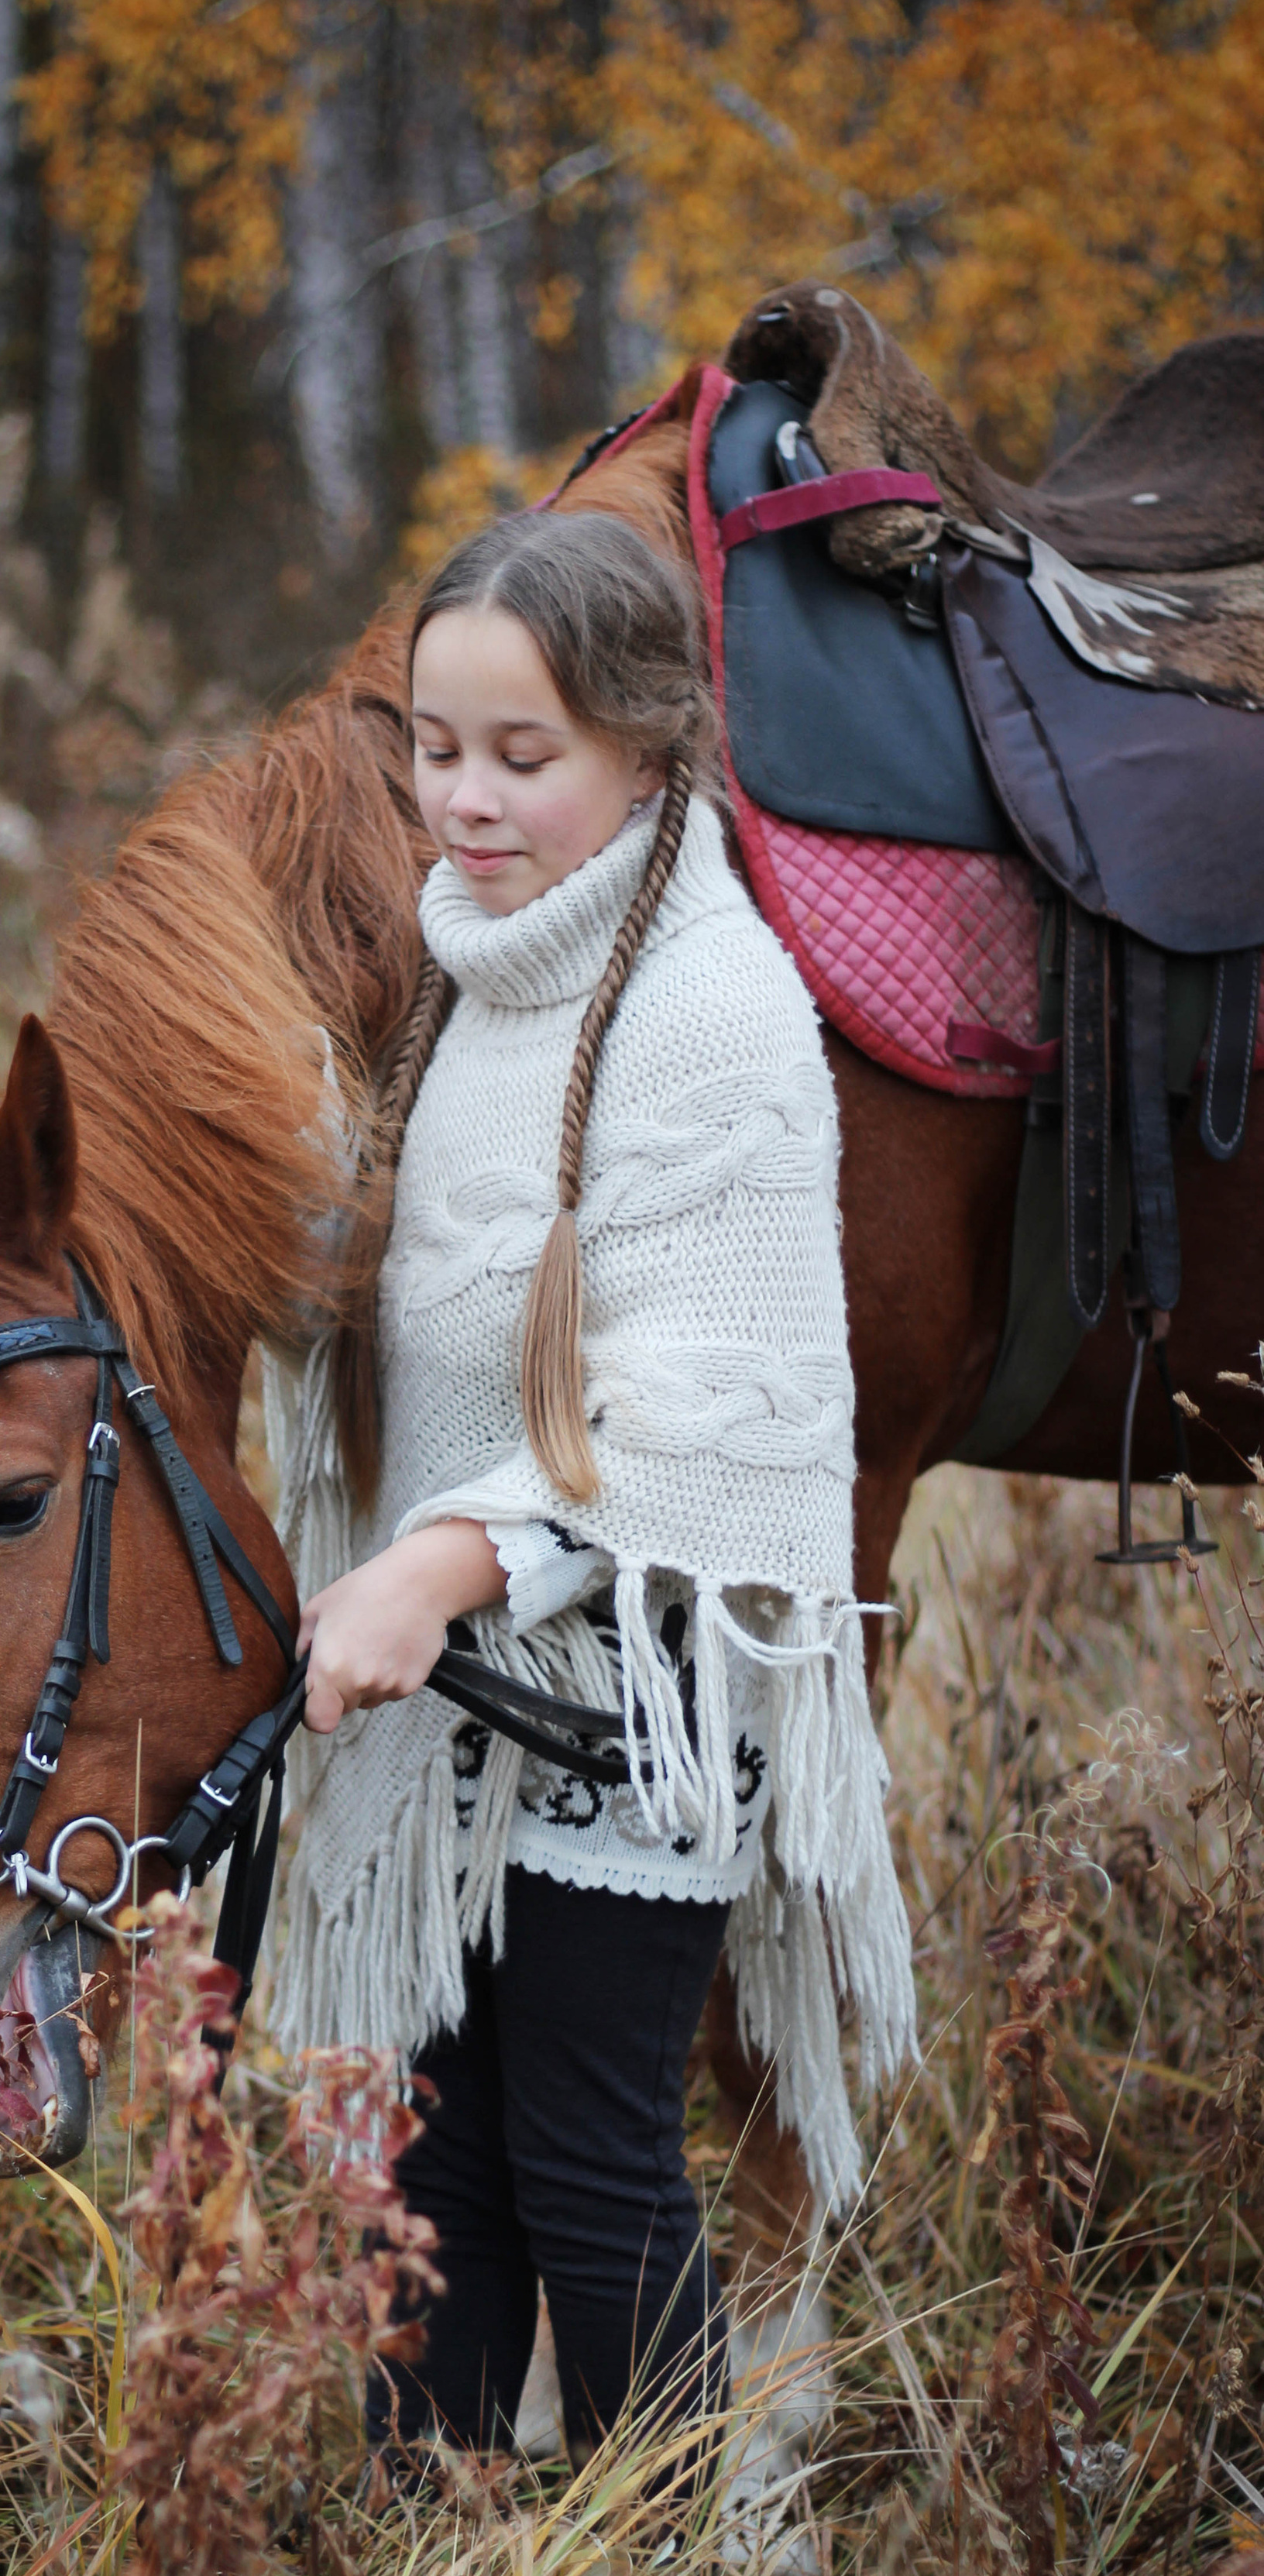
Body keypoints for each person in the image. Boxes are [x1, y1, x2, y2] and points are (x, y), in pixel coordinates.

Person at [264, 508, 915, 2468]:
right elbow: (416, 1289)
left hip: (632, 1693)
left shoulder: (713, 1003)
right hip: (455, 1689)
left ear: (645, 747)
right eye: (433, 750)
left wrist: (433, 1566)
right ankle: (434, 2542)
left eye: (518, 756)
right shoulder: (452, 977)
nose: (462, 801)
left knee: (584, 2141)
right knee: (431, 2142)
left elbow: (702, 1401)